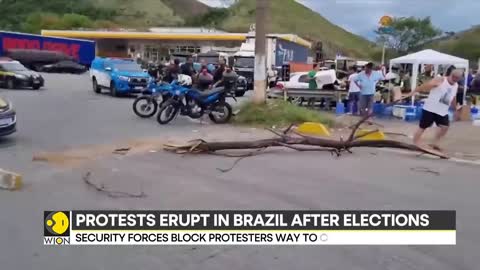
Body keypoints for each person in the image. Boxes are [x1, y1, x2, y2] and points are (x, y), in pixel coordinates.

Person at [405, 68, 463, 151]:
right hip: (430, 108)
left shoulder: (456, 85)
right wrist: (413, 92)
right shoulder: (441, 80)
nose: (455, 80)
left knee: (445, 127)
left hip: (442, 110)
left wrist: (455, 109)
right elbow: (424, 86)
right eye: (454, 77)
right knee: (423, 127)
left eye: (457, 78)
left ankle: (435, 143)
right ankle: (415, 142)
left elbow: (453, 97)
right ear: (451, 75)